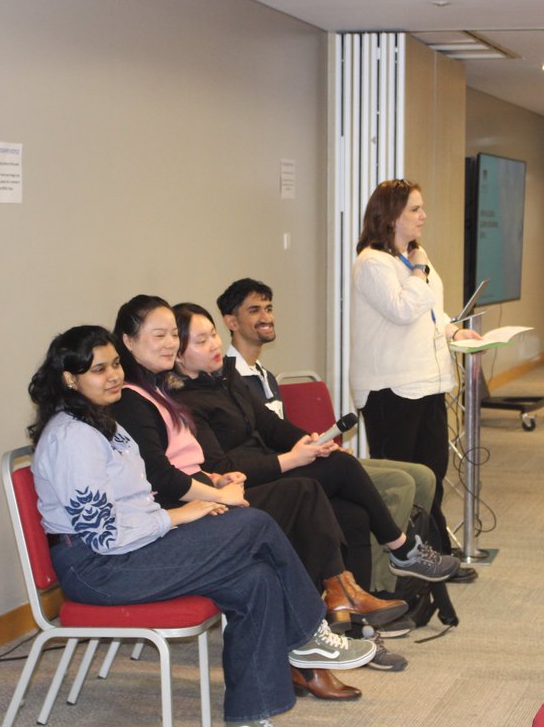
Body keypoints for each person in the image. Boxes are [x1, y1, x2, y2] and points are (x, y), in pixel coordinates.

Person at [27, 325, 375, 727]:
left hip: (132, 550)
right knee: (255, 524)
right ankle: (307, 636)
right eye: (99, 369)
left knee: (255, 579)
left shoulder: (104, 424)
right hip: (98, 568)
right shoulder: (73, 438)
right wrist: (178, 518)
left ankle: (248, 724)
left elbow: (134, 505)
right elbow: (104, 535)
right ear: (70, 378)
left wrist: (183, 514)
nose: (114, 375)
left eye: (116, 364)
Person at [110, 294, 406, 687]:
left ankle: (327, 622)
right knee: (300, 496)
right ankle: (327, 615)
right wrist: (215, 492)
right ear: (129, 342)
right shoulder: (135, 399)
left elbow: (192, 462)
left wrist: (215, 482)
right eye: (160, 336)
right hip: (181, 515)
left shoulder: (160, 389)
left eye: (172, 336)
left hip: (204, 493)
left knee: (333, 508)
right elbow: (159, 479)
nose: (169, 344)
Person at [167, 302, 461, 593]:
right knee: (343, 465)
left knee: (354, 516)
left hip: (271, 466)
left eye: (213, 335)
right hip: (245, 485)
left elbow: (269, 424)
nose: (214, 344)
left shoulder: (227, 378)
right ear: (178, 355)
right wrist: (291, 459)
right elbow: (223, 468)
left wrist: (310, 441)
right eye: (201, 341)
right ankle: (402, 548)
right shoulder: (186, 403)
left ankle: (359, 622)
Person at [350, 179, 480, 554]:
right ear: (390, 217)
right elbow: (403, 310)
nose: (423, 216)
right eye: (415, 209)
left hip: (428, 382)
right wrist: (418, 273)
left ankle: (434, 551)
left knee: (432, 475)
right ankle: (407, 558)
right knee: (403, 479)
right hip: (392, 388)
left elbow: (429, 313)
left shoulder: (415, 256)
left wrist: (455, 330)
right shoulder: (373, 262)